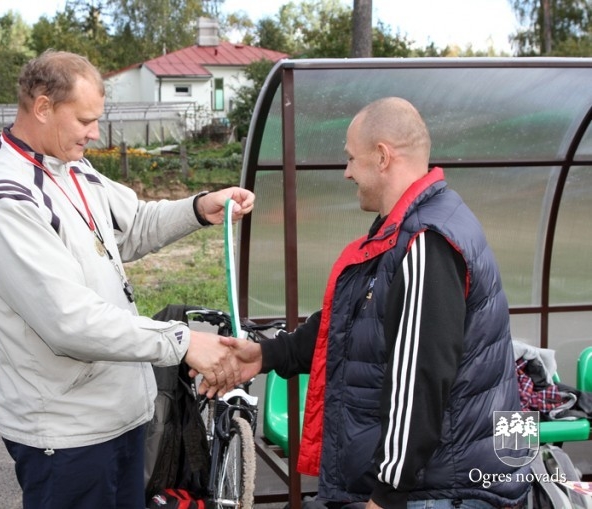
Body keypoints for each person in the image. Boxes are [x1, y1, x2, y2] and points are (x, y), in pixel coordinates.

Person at [0, 49, 254, 509]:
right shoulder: (8, 199)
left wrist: (198, 208)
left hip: (119, 417)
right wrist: (182, 342)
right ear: (42, 107)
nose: (95, 133)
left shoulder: (70, 166)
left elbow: (131, 225)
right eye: (84, 120)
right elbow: (69, 323)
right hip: (68, 433)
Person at [208, 97, 531, 508]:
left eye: (350, 158)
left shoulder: (425, 241)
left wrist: (386, 496)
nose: (346, 172)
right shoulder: (406, 229)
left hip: (442, 491)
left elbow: (420, 381)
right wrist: (267, 355)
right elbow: (354, 322)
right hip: (431, 484)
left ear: (381, 157)